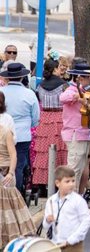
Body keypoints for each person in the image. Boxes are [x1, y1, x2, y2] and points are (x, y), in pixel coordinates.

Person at [0, 90, 36, 246]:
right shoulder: (7, 120)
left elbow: (12, 153)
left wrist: (11, 172)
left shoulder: (5, 129)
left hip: (5, 169)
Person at [0, 63, 39, 193]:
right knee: (19, 166)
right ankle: (17, 193)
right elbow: (35, 117)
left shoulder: (2, 92)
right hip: (22, 135)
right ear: (22, 77)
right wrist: (29, 125)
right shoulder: (29, 94)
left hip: (2, 134)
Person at [33, 58, 68, 187]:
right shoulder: (64, 85)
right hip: (59, 117)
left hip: (45, 118)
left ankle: (42, 182)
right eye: (59, 67)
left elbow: (38, 99)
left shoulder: (39, 85)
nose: (61, 70)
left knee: (44, 151)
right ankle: (59, 180)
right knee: (60, 150)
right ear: (54, 69)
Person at [59, 62, 90, 192]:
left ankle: (75, 197)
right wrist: (76, 96)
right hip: (75, 134)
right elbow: (62, 97)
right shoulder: (72, 89)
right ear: (81, 78)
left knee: (79, 169)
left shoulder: (86, 90)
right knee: (73, 169)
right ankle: (67, 196)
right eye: (88, 77)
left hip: (83, 134)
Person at [42, 166, 90, 251]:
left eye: (73, 181)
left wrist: (72, 239)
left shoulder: (78, 200)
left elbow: (86, 221)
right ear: (58, 183)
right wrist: (47, 220)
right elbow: (45, 226)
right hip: (55, 243)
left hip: (74, 244)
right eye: (67, 181)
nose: (71, 184)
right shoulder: (51, 200)